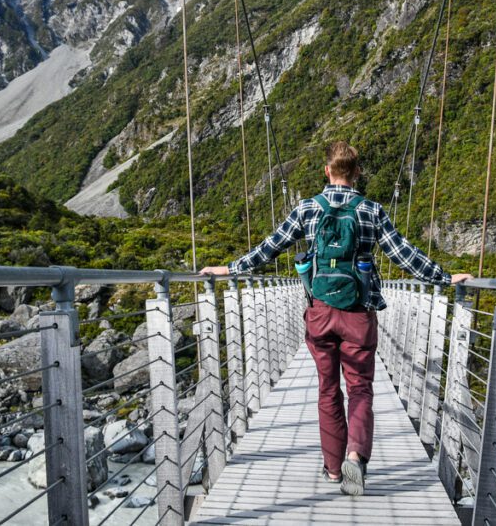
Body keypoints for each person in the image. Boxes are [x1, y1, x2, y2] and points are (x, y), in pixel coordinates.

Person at [200, 140, 472, 496]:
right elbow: (402, 252)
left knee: (328, 390)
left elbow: (270, 247)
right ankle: (355, 457)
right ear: (357, 173)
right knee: (360, 388)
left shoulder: (308, 208)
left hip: (321, 313)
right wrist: (442, 277)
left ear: (326, 171)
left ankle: (332, 469)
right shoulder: (372, 210)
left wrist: (229, 269)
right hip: (359, 313)